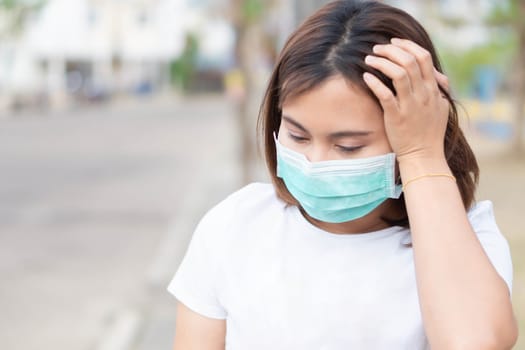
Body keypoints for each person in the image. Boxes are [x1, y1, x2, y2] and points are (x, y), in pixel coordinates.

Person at [168, 1, 518, 349]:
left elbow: (474, 342)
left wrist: (422, 157)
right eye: (298, 135)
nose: (315, 163)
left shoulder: (466, 237)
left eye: (348, 146)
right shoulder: (235, 225)